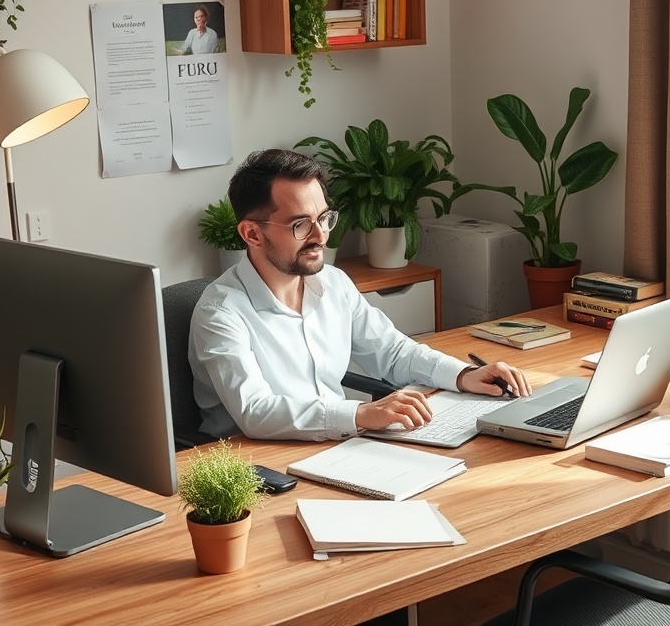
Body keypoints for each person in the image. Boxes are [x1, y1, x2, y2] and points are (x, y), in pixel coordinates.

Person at [189, 149, 530, 441]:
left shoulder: (333, 283)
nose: (320, 236)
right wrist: (360, 414)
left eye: (324, 218)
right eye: (300, 225)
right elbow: (255, 411)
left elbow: (393, 353)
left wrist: (461, 375)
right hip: (254, 469)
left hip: (335, 447)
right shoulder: (220, 313)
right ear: (252, 234)